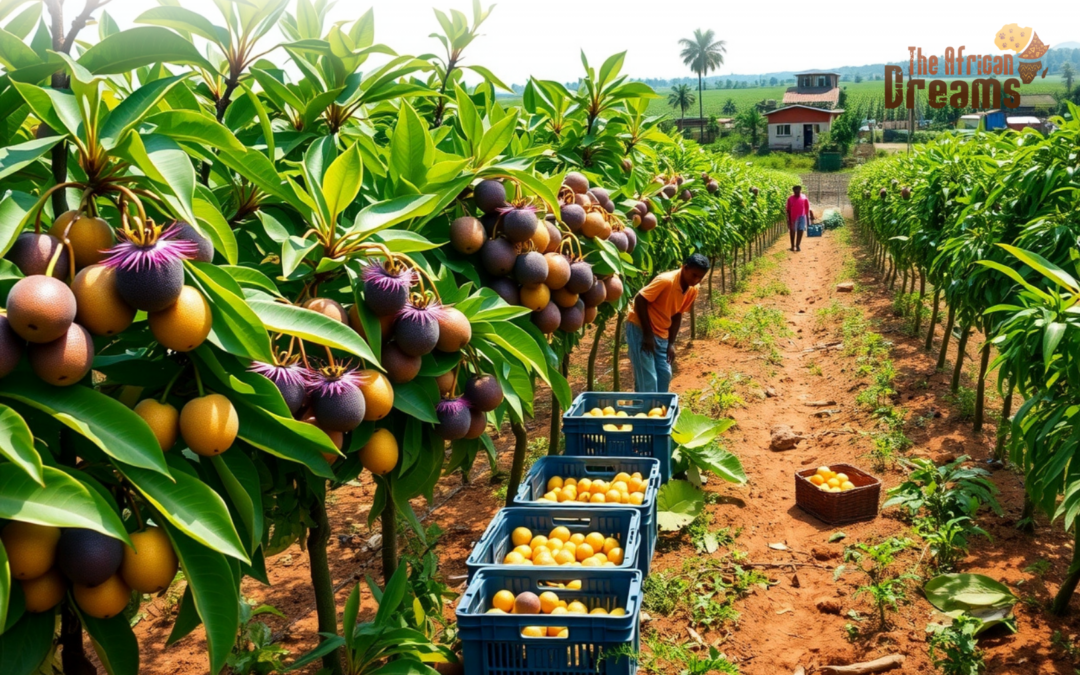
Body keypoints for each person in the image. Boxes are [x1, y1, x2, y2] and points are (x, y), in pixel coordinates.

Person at [625, 254, 709, 392]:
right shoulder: (666, 281)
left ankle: (659, 410)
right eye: (694, 275)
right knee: (648, 380)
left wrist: (671, 343)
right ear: (685, 268)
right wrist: (647, 334)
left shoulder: (693, 289)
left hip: (662, 332)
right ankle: (645, 410)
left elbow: (677, 313)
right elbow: (640, 299)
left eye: (700, 277)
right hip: (641, 327)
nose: (696, 280)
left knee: (665, 374)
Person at [786, 184, 813, 252]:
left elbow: (807, 208)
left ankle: (798, 245)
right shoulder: (790, 199)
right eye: (795, 190)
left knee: (800, 230)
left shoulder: (804, 197)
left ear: (800, 190)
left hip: (802, 216)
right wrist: (788, 219)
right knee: (793, 231)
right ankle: (792, 246)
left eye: (798, 190)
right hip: (793, 217)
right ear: (793, 191)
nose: (797, 191)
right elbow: (788, 210)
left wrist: (807, 218)